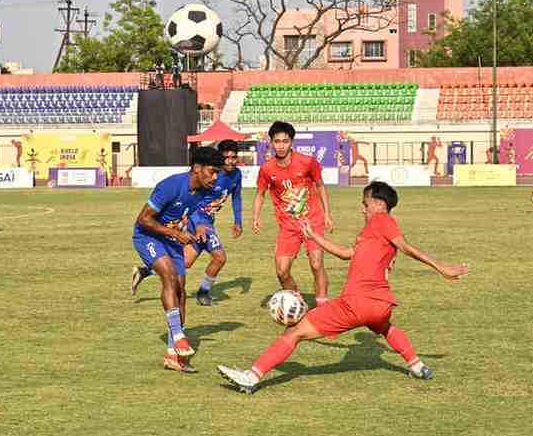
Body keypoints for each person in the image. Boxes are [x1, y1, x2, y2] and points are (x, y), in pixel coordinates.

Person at [218, 182, 469, 394]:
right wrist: (314, 237)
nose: (363, 208)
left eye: (365, 203)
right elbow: (346, 254)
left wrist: (441, 267)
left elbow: (406, 246)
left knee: (293, 332)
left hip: (357, 302)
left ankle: (251, 377)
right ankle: (417, 365)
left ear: (379, 205)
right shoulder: (372, 231)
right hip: (380, 305)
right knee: (384, 326)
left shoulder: (383, 221)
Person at [132, 146, 224, 373]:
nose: (215, 177)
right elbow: (143, 219)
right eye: (211, 172)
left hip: (172, 240)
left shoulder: (203, 191)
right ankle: (179, 334)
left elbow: (196, 212)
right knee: (169, 276)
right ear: (197, 168)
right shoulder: (171, 185)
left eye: (217, 173)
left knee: (181, 291)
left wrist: (201, 224)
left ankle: (174, 355)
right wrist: (176, 233)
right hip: (147, 236)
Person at [132, 140, 244, 306]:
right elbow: (191, 194)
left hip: (206, 221)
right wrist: (196, 223)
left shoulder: (236, 175)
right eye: (226, 157)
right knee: (220, 257)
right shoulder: (211, 174)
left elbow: (236, 196)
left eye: (234, 157)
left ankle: (145, 270)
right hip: (199, 219)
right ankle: (203, 293)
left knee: (184, 263)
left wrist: (238, 220)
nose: (230, 161)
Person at [253, 121, 334, 305]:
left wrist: (327, 214)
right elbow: (260, 194)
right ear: (271, 142)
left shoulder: (307, 162)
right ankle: (298, 303)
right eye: (277, 141)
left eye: (285, 141)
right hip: (288, 226)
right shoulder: (267, 169)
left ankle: (322, 306)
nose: (281, 145)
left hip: (312, 221)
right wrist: (256, 216)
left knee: (316, 263)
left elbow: (320, 186)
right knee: (282, 271)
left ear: (291, 142)